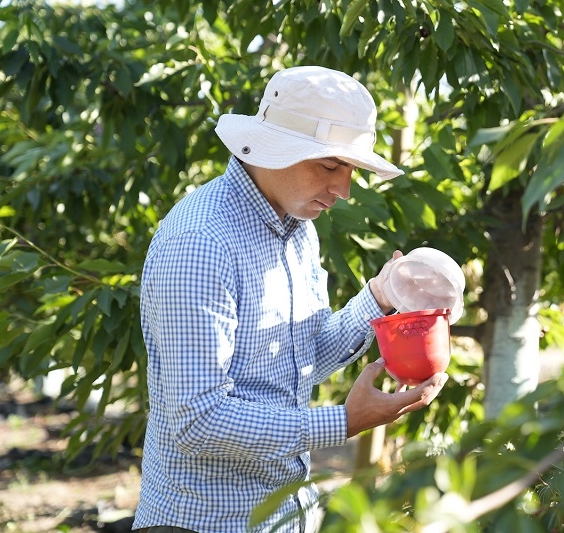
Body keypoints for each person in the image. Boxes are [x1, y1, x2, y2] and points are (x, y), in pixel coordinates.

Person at [131, 65, 449, 533]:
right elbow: (196, 421)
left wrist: (380, 296)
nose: (342, 190)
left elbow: (299, 361)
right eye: (328, 166)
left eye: (351, 170)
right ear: (275, 147)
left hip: (282, 516)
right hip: (204, 522)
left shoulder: (298, 231)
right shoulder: (201, 242)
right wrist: (343, 422)